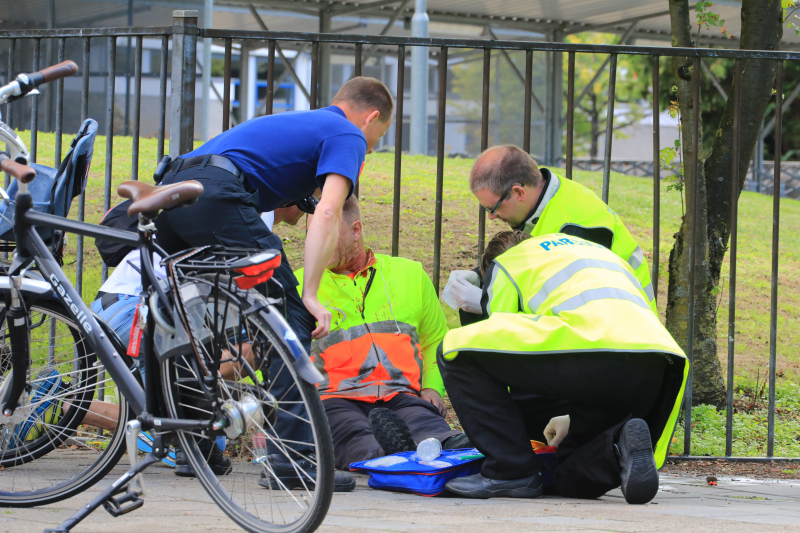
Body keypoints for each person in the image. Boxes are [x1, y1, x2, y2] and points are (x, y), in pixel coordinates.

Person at [154, 76, 394, 492]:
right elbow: (328, 212)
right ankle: (294, 463)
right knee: (289, 318)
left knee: (199, 325)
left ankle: (195, 449)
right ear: (371, 117)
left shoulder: (301, 124)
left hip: (172, 194)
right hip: (216, 195)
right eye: (379, 137)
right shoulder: (347, 133)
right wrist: (310, 294)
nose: (371, 148)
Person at [438, 231, 688, 504]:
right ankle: (618, 445)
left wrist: (482, 301)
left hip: (590, 350)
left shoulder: (508, 263)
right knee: (567, 475)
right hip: (655, 363)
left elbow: (500, 332)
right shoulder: (600, 254)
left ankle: (511, 471)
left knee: (455, 349)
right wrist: (568, 416)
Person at [83, 208, 305, 475]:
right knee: (263, 347)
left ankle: (64, 406)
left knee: (170, 408)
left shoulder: (241, 202)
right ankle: (189, 433)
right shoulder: (257, 212)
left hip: (115, 304)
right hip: (140, 307)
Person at [294, 197, 468, 472]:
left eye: (325, 234)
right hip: (334, 399)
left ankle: (439, 448)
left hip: (401, 395)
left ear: (356, 230)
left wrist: (432, 388)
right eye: (311, 234)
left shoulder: (410, 274)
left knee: (431, 428)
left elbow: (436, 340)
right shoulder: (299, 286)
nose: (315, 244)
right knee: (352, 436)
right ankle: (389, 456)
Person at [445, 145, 657, 326]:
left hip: (626, 333)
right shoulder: (548, 198)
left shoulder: (578, 228)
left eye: (493, 208)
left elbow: (566, 310)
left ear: (519, 192)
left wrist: (487, 302)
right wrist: (483, 276)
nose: (491, 217)